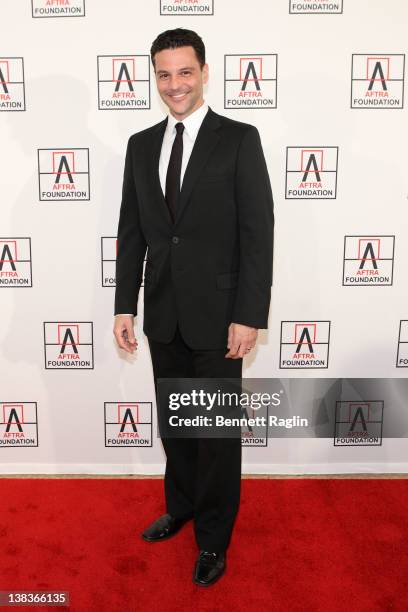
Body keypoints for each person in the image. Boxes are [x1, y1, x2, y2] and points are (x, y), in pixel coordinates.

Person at [113, 28, 274, 586]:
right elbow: (132, 232)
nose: (175, 84)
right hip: (163, 314)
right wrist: (123, 306)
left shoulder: (239, 139)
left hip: (222, 316)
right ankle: (179, 507)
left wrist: (249, 314)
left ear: (205, 72)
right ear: (153, 77)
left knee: (215, 433)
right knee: (178, 426)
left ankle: (213, 538)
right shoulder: (139, 145)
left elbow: (258, 233)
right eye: (164, 73)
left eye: (185, 71)